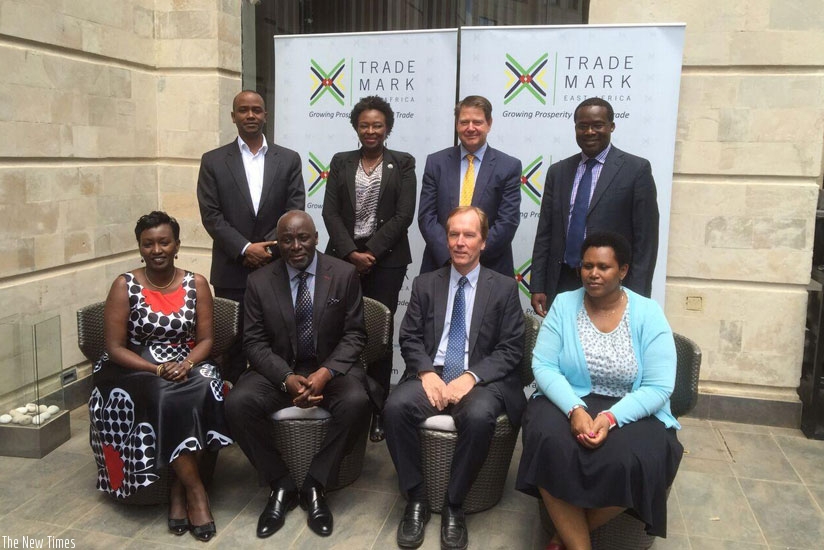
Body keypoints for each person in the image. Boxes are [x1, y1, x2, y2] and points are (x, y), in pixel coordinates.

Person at [516, 232, 683, 550]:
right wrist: (574, 409)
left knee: (642, 457)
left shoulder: (648, 313)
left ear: (623, 270)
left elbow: (659, 386)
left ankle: (562, 539)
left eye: (603, 267)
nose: (593, 273)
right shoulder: (564, 304)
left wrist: (609, 418)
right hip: (567, 398)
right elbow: (545, 366)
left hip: (630, 404)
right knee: (548, 442)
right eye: (587, 266)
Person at [384, 206, 525, 550]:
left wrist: (472, 376)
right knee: (394, 408)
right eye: (453, 234)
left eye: (469, 235)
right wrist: (426, 372)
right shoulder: (425, 283)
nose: (460, 242)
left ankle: (454, 504)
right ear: (446, 239)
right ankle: (416, 498)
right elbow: (410, 337)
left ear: (484, 242)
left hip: (479, 380)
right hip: (432, 373)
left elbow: (510, 348)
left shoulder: (504, 288)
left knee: (478, 417)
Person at [224, 210, 371, 539]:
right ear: (277, 243)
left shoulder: (344, 274)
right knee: (237, 404)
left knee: (358, 402)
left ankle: (316, 484)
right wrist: (286, 378)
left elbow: (355, 335)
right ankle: (281, 483)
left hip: (329, 370)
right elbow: (254, 342)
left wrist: (326, 373)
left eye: (303, 238)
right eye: (286, 239)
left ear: (316, 238)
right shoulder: (260, 281)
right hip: (278, 371)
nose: (295, 246)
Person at [88, 211, 232, 543]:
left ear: (177, 245)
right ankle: (196, 492)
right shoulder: (124, 285)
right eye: (148, 244)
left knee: (207, 386)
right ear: (140, 247)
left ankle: (179, 491)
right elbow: (113, 347)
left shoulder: (197, 283)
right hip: (133, 368)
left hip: (188, 362)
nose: (156, 250)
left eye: (164, 242)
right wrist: (155, 369)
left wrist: (187, 363)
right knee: (166, 395)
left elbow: (207, 340)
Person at [322, 95, 417, 442]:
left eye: (377, 125)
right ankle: (340, 401)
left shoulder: (403, 163)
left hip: (386, 262)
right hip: (342, 260)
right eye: (364, 125)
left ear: (387, 127)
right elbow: (330, 212)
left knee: (379, 335)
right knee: (337, 329)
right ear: (356, 127)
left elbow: (403, 215)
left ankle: (378, 409)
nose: (371, 131)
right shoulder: (341, 161)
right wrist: (350, 252)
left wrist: (370, 253)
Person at [197, 89, 305, 384]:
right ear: (233, 117)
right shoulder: (213, 161)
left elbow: (294, 209)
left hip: (277, 266)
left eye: (256, 110)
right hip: (232, 269)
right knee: (232, 343)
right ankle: (231, 401)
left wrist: (267, 249)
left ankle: (275, 396)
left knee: (278, 338)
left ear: (265, 115)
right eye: (243, 110)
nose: (250, 115)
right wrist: (245, 248)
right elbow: (211, 215)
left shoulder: (289, 159)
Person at [530, 97, 659, 317]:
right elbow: (545, 232)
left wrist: (637, 295)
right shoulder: (558, 172)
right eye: (583, 126)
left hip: (612, 285)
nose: (589, 132)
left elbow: (646, 241)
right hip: (562, 280)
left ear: (611, 126)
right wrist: (538, 284)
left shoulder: (636, 170)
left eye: (598, 125)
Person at [418, 95, 522, 277]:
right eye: (464, 122)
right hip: (441, 265)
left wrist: (471, 255)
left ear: (489, 124)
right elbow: (427, 217)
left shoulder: (508, 166)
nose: (470, 128)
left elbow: (507, 221)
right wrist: (451, 255)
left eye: (477, 122)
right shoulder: (436, 163)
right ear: (456, 124)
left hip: (490, 267)